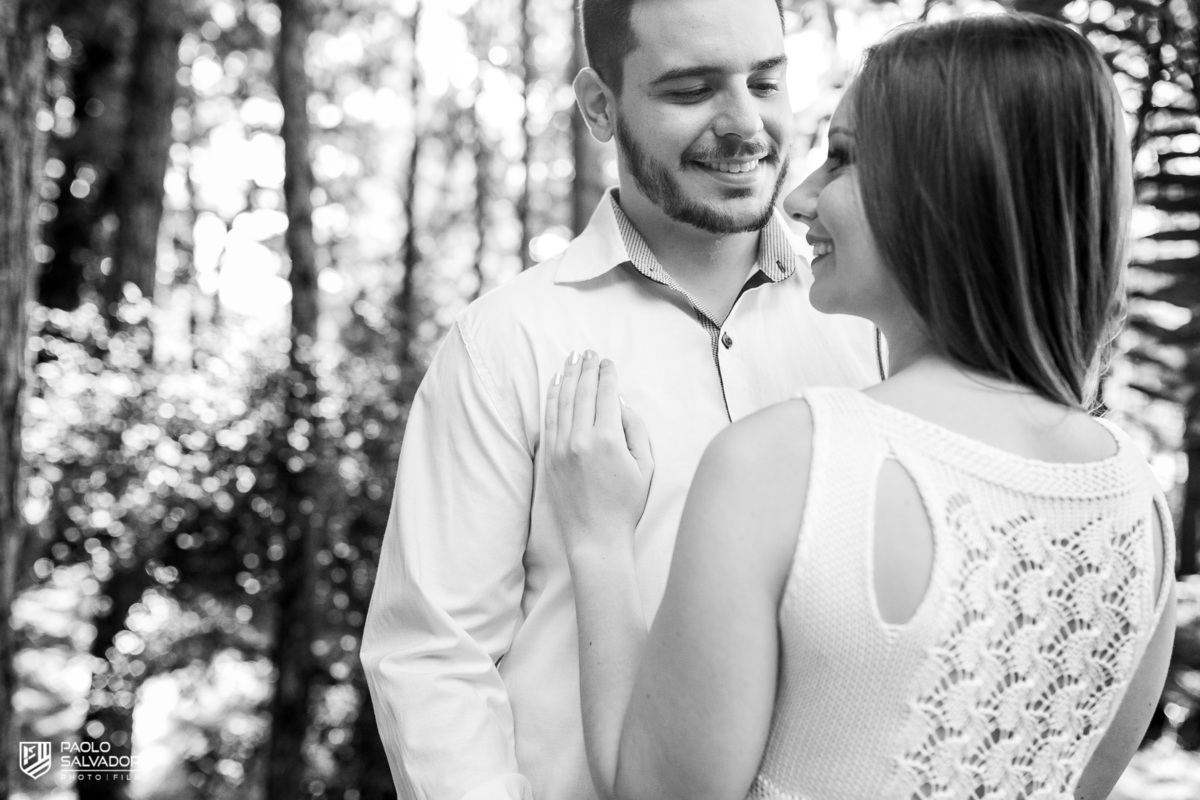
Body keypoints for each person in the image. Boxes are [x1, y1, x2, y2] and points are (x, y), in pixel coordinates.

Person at [542, 14, 1178, 800]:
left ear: (945, 186)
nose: (799, 196)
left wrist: (600, 542)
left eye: (841, 159)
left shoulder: (784, 463)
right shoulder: (1137, 509)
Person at [359, 0, 879, 796]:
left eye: (766, 82)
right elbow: (433, 657)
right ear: (602, 107)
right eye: (690, 89)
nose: (745, 124)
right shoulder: (507, 343)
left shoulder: (869, 322)